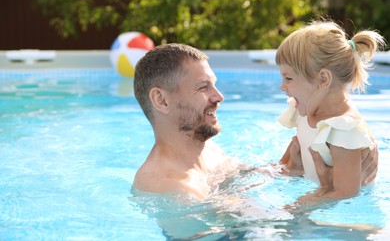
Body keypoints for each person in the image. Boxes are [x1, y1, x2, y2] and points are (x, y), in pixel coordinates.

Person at [132, 43, 378, 201]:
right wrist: (327, 193)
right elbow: (255, 231)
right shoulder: (171, 190)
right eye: (203, 87)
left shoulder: (208, 153)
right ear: (161, 100)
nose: (219, 96)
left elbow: (249, 183)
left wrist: (290, 169)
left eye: (214, 85)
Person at [275, 19, 385, 207]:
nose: (282, 86)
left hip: (348, 220)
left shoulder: (343, 129)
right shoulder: (305, 111)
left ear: (323, 79)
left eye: (289, 78)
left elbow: (345, 193)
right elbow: (282, 167)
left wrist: (296, 207)